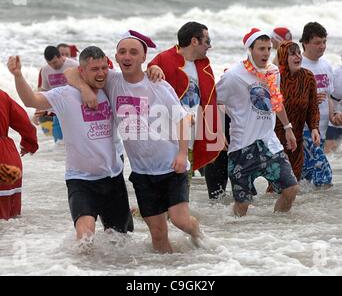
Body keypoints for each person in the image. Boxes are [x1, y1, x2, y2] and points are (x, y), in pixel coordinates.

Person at [65, 30, 202, 253]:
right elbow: (72, 71)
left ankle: (199, 235)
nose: (127, 56)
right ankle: (169, 270)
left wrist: (181, 153)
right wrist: (83, 89)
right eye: (122, 52)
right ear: (116, 58)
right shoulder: (111, 80)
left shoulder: (157, 85)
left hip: (170, 166)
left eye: (133, 52)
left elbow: (183, 119)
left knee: (180, 221)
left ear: (143, 58)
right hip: (142, 173)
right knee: (157, 234)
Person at [7, 47, 133, 248]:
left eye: (103, 68)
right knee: (85, 238)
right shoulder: (64, 95)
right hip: (80, 179)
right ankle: (77, 269)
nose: (101, 73)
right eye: (94, 69)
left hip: (112, 177)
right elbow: (31, 100)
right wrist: (18, 76)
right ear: (81, 72)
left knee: (121, 240)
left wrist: (154, 70)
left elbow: (134, 78)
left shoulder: (110, 89)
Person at [216, 28, 299, 216]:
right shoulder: (233, 76)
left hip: (269, 144)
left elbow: (276, 101)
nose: (266, 53)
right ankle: (238, 237)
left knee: (291, 189)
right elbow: (211, 101)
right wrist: (218, 132)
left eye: (269, 48)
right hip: (242, 147)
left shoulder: (273, 71)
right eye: (261, 49)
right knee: (242, 206)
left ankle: (277, 230)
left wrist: (287, 128)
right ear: (250, 50)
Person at [147, 22, 225, 187]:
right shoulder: (165, 59)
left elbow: (209, 101)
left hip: (190, 139)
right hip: (166, 139)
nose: (209, 46)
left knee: (183, 187)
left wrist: (216, 131)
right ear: (194, 41)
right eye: (207, 41)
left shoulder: (204, 66)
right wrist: (153, 68)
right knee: (161, 189)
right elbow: (149, 74)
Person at [266, 41, 320, 192]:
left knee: (292, 185)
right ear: (284, 57)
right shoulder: (275, 78)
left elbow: (313, 107)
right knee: (275, 187)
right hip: (275, 140)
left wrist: (314, 128)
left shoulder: (308, 77)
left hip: (297, 140)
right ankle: (265, 214)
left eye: (298, 53)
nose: (298, 57)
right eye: (292, 53)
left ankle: (286, 215)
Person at [299, 22, 342, 188]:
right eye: (317, 42)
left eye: (324, 42)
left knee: (305, 177)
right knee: (324, 175)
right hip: (303, 129)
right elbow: (286, 98)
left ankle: (306, 209)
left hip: (321, 130)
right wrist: (308, 99)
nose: (322, 46)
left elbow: (329, 97)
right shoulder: (298, 65)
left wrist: (333, 116)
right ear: (305, 42)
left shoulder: (326, 65)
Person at [0, 89, 38, 220]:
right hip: (9, 161)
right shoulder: (2, 95)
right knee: (12, 223)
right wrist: (29, 143)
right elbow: (26, 123)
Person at [34, 46, 79, 143]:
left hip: (74, 106)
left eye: (54, 62)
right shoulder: (45, 70)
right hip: (56, 108)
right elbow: (44, 91)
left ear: (60, 57)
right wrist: (37, 112)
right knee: (59, 141)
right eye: (50, 64)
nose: (53, 66)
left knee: (75, 138)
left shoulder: (73, 65)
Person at [325, 55, 342, 153]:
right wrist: (335, 113)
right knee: (330, 155)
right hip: (334, 120)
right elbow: (327, 96)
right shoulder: (335, 74)